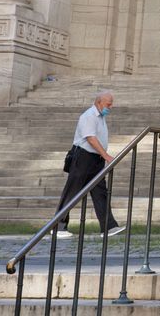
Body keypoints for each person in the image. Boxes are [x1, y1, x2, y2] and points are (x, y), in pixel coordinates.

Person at [57, 91, 125, 238]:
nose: (111, 107)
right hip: (83, 157)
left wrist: (101, 156)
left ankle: (108, 227)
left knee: (100, 191)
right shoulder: (89, 116)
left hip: (95, 159)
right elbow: (90, 138)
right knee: (73, 190)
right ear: (99, 102)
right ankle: (58, 226)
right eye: (109, 104)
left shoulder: (100, 117)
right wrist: (106, 155)